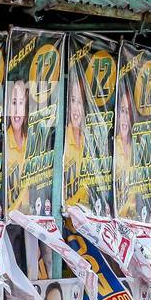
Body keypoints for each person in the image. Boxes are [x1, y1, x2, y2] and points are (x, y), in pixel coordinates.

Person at [5, 78, 28, 212]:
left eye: (21, 103)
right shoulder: (3, 143)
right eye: (14, 103)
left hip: (28, 216)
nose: (17, 109)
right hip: (8, 218)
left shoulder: (31, 141)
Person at [63, 78, 87, 210]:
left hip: (86, 218)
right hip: (66, 220)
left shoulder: (87, 140)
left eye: (80, 102)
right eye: (73, 100)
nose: (76, 108)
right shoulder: (63, 137)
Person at [114, 84, 134, 218]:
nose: (125, 118)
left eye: (128, 112)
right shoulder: (112, 145)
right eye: (122, 111)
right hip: (115, 219)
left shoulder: (136, 149)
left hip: (134, 219)